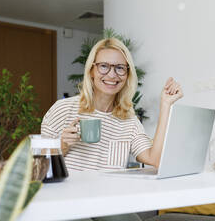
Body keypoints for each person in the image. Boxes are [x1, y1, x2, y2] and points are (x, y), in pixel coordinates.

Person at [41, 37, 183, 220]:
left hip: (108, 202)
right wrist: (62, 145)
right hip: (65, 201)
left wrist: (166, 106)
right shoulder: (63, 109)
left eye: (119, 68)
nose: (112, 75)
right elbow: (37, 169)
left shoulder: (128, 120)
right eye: (103, 66)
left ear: (127, 74)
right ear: (91, 70)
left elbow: (154, 159)